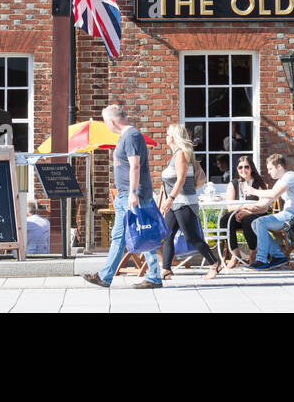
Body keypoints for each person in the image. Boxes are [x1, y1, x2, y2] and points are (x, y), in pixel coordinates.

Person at [84, 104, 163, 289]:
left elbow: (135, 165)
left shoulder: (132, 136)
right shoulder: (126, 137)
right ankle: (105, 276)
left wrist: (133, 193)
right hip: (124, 196)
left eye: (105, 122)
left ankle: (154, 277)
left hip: (133, 196)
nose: (106, 126)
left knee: (143, 234)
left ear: (111, 121)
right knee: (119, 236)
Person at [158, 123, 222, 280]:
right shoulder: (175, 156)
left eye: (167, 135)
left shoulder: (181, 154)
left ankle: (215, 264)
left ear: (172, 137)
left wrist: (170, 198)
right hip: (175, 204)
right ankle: (166, 269)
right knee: (168, 235)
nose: (165, 137)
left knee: (191, 236)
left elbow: (181, 179)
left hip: (184, 202)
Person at [246, 152, 294, 270]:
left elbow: (273, 194)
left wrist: (253, 191)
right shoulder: (280, 181)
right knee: (255, 223)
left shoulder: (290, 176)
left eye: (270, 168)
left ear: (279, 167)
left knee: (260, 222)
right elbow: (265, 202)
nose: (269, 172)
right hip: (287, 214)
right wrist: (246, 210)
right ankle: (278, 256)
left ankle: (261, 259)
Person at [222, 155, 269, 267]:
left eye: (246, 167)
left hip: (256, 214)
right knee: (225, 220)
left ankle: (253, 253)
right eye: (240, 167)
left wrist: (247, 212)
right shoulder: (233, 184)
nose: (243, 170)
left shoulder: (259, 183)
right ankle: (235, 254)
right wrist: (243, 210)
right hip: (238, 214)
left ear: (251, 167)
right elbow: (230, 207)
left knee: (248, 220)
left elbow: (264, 207)